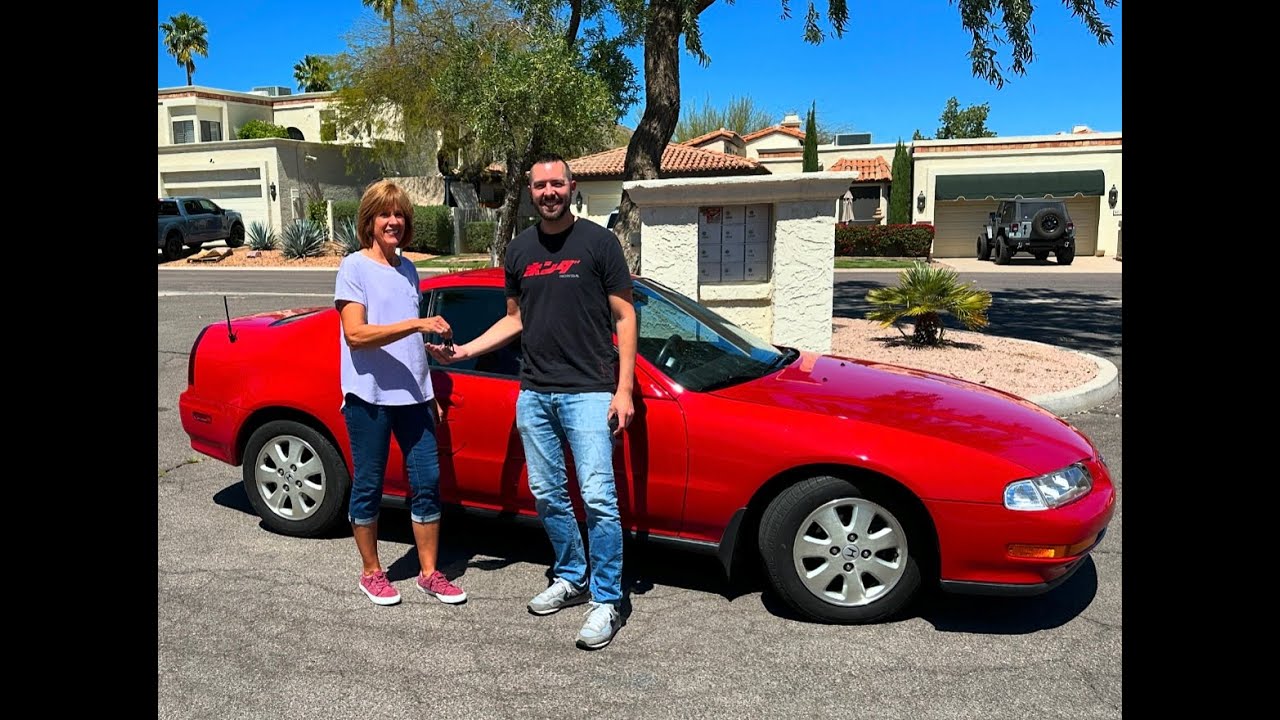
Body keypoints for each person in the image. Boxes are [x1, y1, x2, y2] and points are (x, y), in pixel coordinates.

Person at [428, 153, 637, 650]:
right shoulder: (519, 251)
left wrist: (624, 387)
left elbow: (625, 317)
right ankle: (570, 575)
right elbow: (514, 319)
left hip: (588, 391)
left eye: (557, 184)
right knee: (547, 495)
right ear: (530, 190)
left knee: (600, 499)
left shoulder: (600, 244)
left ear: (572, 187)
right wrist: (462, 352)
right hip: (535, 393)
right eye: (540, 185)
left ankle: (607, 600)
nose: (549, 192)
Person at [335, 179, 467, 607]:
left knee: (428, 481)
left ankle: (429, 573)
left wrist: (428, 382)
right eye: (384, 214)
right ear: (369, 221)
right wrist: (418, 325)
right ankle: (372, 572)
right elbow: (355, 334)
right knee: (369, 484)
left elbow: (403, 337)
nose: (393, 221)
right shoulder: (354, 267)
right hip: (369, 398)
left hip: (414, 397)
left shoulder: (408, 269)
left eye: (400, 215)